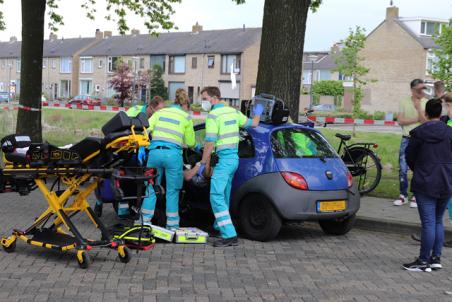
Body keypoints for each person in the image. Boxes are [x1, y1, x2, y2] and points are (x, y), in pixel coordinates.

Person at [198, 86, 262, 247]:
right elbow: (254, 123)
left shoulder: (213, 115)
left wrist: (203, 163)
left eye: (204, 98)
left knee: (216, 195)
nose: (203, 102)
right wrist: (259, 110)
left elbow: (210, 142)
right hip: (233, 159)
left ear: (214, 98)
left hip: (224, 161)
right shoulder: (233, 112)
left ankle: (229, 234)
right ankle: (219, 226)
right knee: (224, 194)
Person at [94, 96, 165, 218]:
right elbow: (120, 129)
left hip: (135, 151)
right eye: (158, 110)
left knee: (132, 180)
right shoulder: (135, 112)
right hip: (122, 149)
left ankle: (127, 209)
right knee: (115, 177)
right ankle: (99, 202)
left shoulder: (153, 118)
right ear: (151, 107)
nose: (160, 113)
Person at [402, 98, 452, 272]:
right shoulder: (450, 133)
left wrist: (419, 170)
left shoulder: (419, 133)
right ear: (440, 113)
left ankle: (423, 261)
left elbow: (409, 156)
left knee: (429, 222)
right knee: (438, 221)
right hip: (447, 181)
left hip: (425, 181)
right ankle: (435, 258)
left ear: (426, 113)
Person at [138, 93, 195, 229]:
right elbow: (191, 142)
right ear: (185, 105)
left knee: (151, 188)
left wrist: (141, 148)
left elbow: (145, 129)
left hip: (155, 154)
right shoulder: (186, 117)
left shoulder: (160, 112)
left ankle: (144, 223)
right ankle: (172, 226)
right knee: (172, 191)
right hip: (173, 156)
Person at [393, 79, 427, 208]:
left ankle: (415, 196)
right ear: (412, 89)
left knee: (418, 168)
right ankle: (403, 195)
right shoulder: (404, 102)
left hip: (420, 140)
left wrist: (418, 109)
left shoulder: (426, 102)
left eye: (423, 89)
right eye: (419, 89)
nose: (421, 91)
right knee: (402, 168)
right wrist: (416, 119)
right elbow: (400, 121)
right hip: (406, 139)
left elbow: (425, 122)